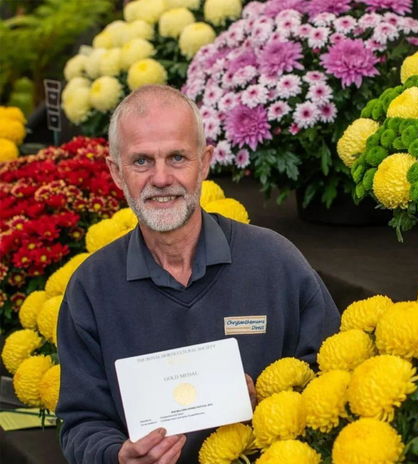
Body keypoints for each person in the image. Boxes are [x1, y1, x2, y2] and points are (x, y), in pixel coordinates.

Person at [56, 84, 340, 464]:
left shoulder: (276, 263)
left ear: (204, 163)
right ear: (116, 172)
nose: (160, 178)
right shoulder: (91, 288)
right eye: (141, 161)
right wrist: (118, 455)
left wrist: (273, 402)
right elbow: (80, 422)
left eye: (177, 157)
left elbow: (332, 381)